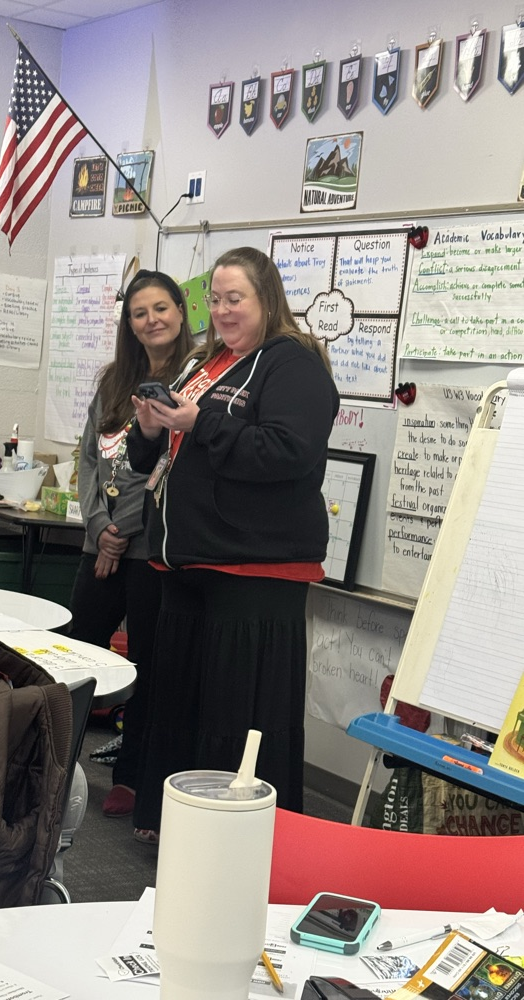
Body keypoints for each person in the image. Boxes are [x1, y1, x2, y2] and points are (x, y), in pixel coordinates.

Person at [127, 246, 340, 839]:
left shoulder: (292, 364)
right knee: (182, 705)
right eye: (215, 299)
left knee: (235, 713)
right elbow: (166, 452)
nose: (222, 310)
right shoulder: (208, 362)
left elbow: (288, 453)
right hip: (190, 562)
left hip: (254, 570)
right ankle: (178, 825)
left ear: (265, 299)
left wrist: (202, 424)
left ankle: (235, 834)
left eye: (235, 298)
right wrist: (150, 430)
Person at [68, 270, 194, 821]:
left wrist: (124, 535)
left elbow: (168, 466)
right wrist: (101, 530)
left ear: (181, 311)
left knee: (147, 665)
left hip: (151, 551)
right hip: (103, 542)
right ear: (129, 323)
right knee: (76, 649)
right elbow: (90, 461)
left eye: (161, 308)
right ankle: (56, 759)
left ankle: (132, 777)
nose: (151, 321)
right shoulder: (115, 380)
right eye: (140, 313)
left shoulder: (196, 379)